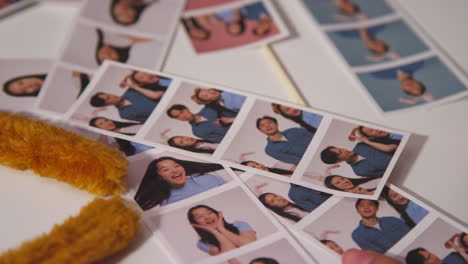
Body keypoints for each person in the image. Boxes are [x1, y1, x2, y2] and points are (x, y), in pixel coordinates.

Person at [134, 157, 226, 210]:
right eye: (165, 169)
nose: (174, 170)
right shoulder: (166, 204)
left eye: (176, 166)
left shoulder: (208, 179)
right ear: (159, 176)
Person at [188, 205, 256, 255]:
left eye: (209, 213)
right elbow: (230, 255)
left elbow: (250, 245)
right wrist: (215, 232)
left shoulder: (240, 224)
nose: (207, 217)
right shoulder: (202, 243)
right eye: (200, 216)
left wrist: (221, 228)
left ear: (217, 214)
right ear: (195, 223)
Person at [90, 86, 161, 122]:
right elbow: (149, 120)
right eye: (108, 98)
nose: (113, 96)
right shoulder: (124, 114)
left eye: (109, 94)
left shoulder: (131, 91)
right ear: (106, 105)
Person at [320, 143, 394, 178]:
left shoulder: (361, 145)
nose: (344, 150)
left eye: (340, 148)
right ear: (338, 161)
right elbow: (388, 175)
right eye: (341, 152)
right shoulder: (360, 171)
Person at [167, 104, 233, 143]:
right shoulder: (197, 132)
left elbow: (234, 114)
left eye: (181, 112)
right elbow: (223, 141)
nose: (182, 116)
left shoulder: (208, 109)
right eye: (177, 116)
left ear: (187, 109)